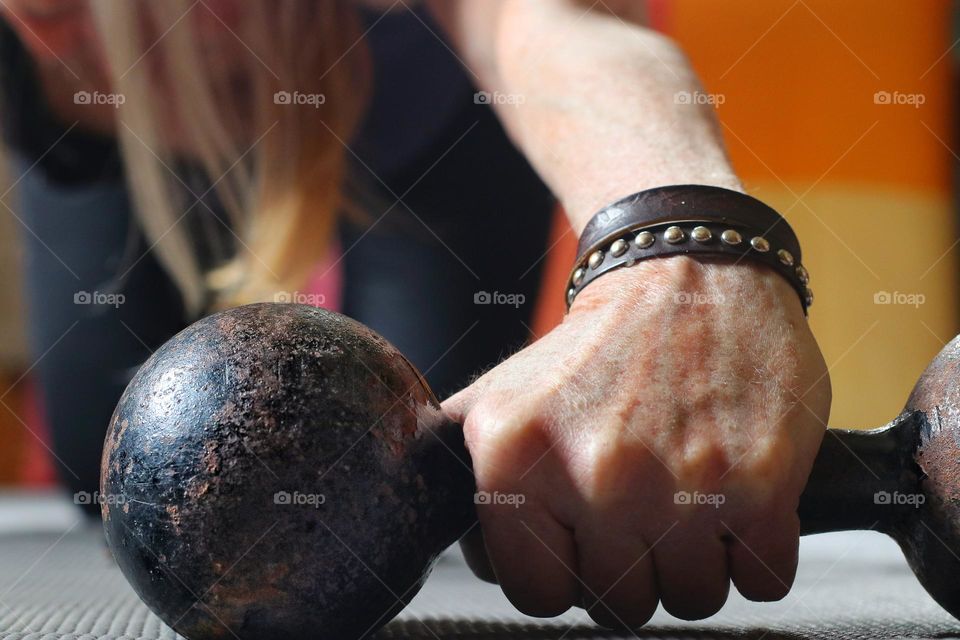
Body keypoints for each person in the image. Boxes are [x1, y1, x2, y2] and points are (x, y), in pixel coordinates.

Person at [1, 0, 831, 629]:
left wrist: (679, 250)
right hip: (106, 99)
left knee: (419, 461)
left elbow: (546, 26)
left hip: (422, 103)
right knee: (99, 460)